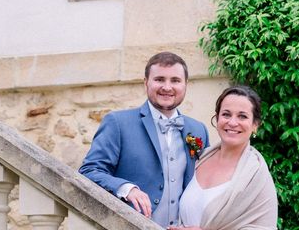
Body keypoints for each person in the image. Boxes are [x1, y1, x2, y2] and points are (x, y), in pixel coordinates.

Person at [79, 51, 210, 228]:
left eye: (175, 81)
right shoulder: (118, 123)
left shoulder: (198, 129)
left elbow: (206, 184)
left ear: (186, 85)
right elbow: (89, 170)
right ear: (145, 83)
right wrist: (126, 188)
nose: (167, 87)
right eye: (159, 79)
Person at [169, 85, 278, 230]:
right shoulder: (201, 158)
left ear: (255, 125)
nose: (232, 122)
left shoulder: (256, 176)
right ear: (217, 117)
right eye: (226, 114)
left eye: (242, 116)